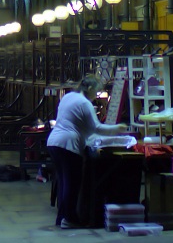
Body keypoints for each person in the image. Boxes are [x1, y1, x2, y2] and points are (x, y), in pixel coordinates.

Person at [46, 74, 129, 228]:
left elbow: (75, 122)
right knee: (72, 184)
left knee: (64, 183)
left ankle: (62, 218)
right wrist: (117, 128)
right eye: (96, 92)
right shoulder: (85, 103)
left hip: (54, 142)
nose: (96, 96)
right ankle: (70, 219)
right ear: (89, 88)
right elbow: (96, 128)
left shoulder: (68, 96)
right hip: (69, 145)